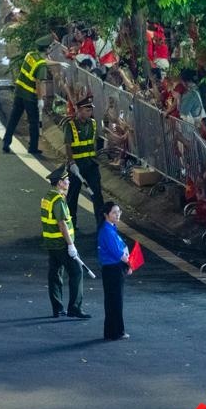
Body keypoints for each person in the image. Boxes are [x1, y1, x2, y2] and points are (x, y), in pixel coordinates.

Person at [42, 169, 90, 318]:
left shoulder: (47, 197)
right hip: (62, 243)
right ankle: (74, 308)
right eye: (67, 180)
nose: (69, 182)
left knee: (55, 274)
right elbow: (62, 224)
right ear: (60, 183)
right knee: (77, 272)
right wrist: (71, 245)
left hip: (50, 243)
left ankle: (57, 308)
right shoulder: (58, 200)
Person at [2, 38, 51, 156]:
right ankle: (33, 147)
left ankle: (6, 142)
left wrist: (58, 63)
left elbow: (43, 61)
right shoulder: (41, 66)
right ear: (47, 49)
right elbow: (39, 83)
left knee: (14, 117)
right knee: (33, 122)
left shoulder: (30, 55)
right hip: (30, 96)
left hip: (19, 91)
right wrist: (40, 99)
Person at [64, 96, 103, 230]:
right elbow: (68, 145)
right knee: (73, 196)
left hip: (91, 165)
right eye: (87, 110)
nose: (90, 113)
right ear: (79, 110)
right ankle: (71, 224)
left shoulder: (93, 123)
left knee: (97, 194)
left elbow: (94, 142)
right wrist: (72, 162)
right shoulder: (70, 125)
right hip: (77, 166)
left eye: (90, 110)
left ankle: (101, 224)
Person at [97, 202, 131, 340]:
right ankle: (116, 331)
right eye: (114, 213)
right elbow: (118, 252)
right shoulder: (107, 231)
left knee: (112, 300)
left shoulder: (110, 228)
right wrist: (130, 264)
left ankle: (112, 331)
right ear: (106, 215)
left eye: (119, 212)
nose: (118, 215)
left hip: (112, 269)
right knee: (115, 301)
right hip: (113, 269)